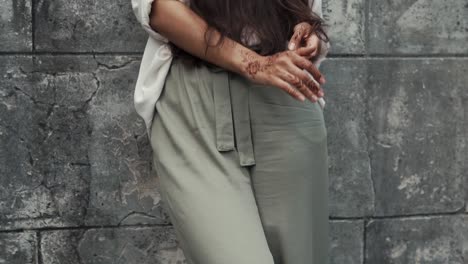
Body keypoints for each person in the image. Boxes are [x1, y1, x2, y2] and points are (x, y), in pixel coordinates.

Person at [131, 0, 332, 263]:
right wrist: (254, 64)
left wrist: (310, 34)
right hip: (196, 105)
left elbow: (309, 10)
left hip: (285, 97)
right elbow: (157, 8)